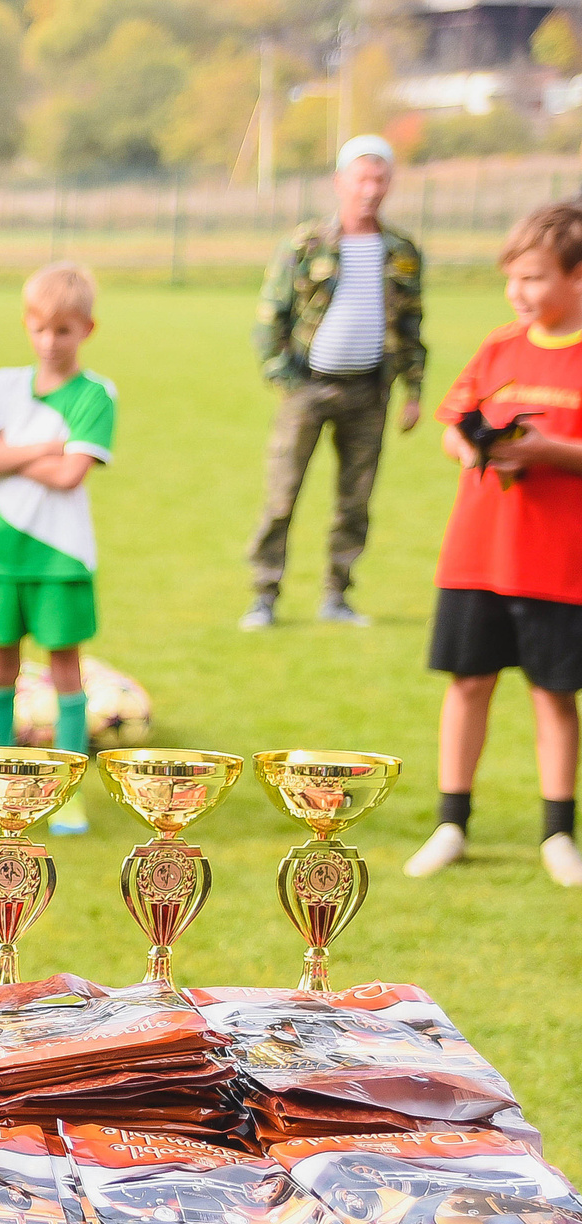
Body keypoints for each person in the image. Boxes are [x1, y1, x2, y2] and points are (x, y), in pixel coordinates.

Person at [403, 203, 582, 888]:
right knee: (469, 681)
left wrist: (548, 450)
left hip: (557, 560)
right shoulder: (499, 346)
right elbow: (453, 423)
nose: (520, 292)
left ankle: (559, 832)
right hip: (478, 551)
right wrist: (470, 444)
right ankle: (451, 822)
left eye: (535, 277)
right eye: (513, 278)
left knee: (552, 693)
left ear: (576, 276)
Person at [0, 263, 116, 836]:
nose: (51, 341)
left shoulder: (97, 394)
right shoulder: (0, 384)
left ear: (86, 330)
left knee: (65, 671)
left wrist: (6, 453)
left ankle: (63, 794)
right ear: (28, 324)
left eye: (65, 330)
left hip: (59, 557)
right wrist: (42, 447)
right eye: (42, 328)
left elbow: (72, 475)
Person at [245, 133, 425, 631]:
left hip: (370, 391)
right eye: (361, 178)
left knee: (355, 499)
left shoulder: (402, 251)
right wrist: (283, 377)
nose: (370, 189)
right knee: (283, 494)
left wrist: (413, 391)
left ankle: (337, 595)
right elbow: (271, 316)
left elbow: (412, 324)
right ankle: (264, 596)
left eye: (380, 178)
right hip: (309, 386)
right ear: (340, 183)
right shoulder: (306, 244)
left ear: (390, 184)